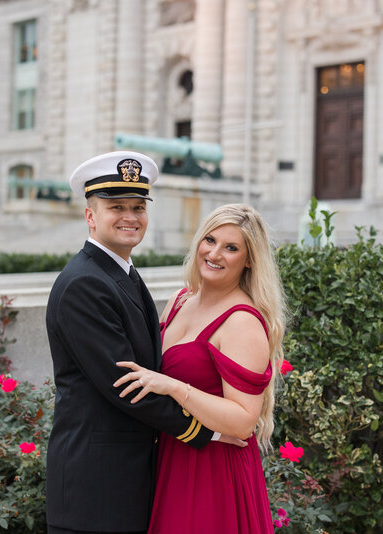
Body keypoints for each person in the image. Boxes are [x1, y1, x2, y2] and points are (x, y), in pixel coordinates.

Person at [45, 151, 225, 534]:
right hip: (96, 492)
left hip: (121, 482)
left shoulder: (117, 272)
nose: (131, 216)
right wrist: (208, 430)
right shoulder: (86, 284)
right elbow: (127, 384)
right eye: (116, 207)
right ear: (91, 216)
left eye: (138, 207)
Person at [114, 203, 286, 534]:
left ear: (249, 260)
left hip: (212, 470)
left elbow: (243, 421)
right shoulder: (181, 299)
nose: (215, 253)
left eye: (231, 247)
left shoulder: (242, 321)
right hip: (172, 455)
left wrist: (174, 387)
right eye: (210, 240)